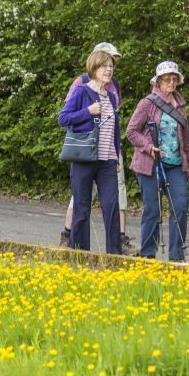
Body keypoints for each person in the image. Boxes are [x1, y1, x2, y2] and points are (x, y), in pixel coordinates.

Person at [58, 42, 134, 255]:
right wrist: (88, 112)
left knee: (111, 207)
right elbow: (63, 119)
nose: (109, 70)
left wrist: (117, 158)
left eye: (111, 66)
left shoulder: (110, 95)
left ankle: (114, 257)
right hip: (84, 158)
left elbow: (115, 127)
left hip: (107, 162)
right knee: (82, 209)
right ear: (93, 68)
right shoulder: (82, 92)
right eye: (104, 66)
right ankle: (81, 256)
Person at [126, 61, 189, 261]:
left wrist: (187, 164)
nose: (171, 81)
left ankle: (176, 256)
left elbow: (185, 137)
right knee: (153, 209)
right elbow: (131, 131)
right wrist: (148, 147)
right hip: (150, 165)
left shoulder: (180, 104)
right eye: (167, 78)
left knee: (180, 206)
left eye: (174, 78)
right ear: (159, 81)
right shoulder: (148, 102)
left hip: (175, 165)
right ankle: (147, 254)